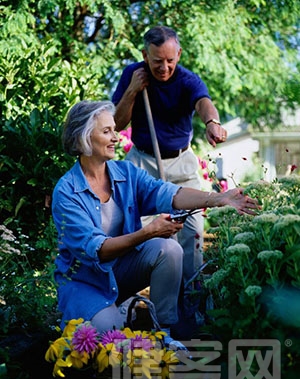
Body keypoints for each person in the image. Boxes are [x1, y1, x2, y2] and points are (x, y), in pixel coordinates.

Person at [51, 100, 258, 350]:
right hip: (87, 282)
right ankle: (111, 314)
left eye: (114, 130)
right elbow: (98, 250)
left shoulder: (125, 173)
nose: (116, 137)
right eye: (106, 131)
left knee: (168, 249)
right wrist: (146, 232)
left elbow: (168, 193)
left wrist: (218, 198)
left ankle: (165, 333)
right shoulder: (67, 192)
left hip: (122, 270)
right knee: (108, 333)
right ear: (83, 138)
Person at [111, 26, 228, 323]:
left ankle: (193, 308)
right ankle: (137, 308)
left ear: (178, 55)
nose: (164, 68)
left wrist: (212, 122)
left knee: (192, 235)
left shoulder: (187, 79)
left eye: (170, 61)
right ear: (145, 56)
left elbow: (203, 102)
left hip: (182, 165)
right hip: (141, 163)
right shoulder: (132, 74)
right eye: (156, 61)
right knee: (140, 234)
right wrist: (133, 90)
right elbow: (117, 122)